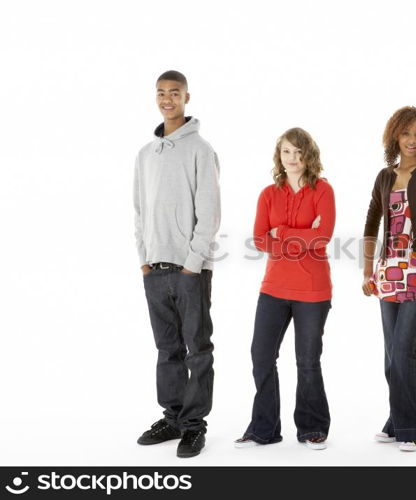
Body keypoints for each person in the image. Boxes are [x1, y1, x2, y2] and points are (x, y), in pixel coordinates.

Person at [133, 70, 221, 458]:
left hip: (190, 270)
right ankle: (172, 418)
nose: (167, 99)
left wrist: (192, 263)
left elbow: (210, 212)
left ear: (187, 97)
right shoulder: (145, 154)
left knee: (197, 348)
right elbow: (139, 210)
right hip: (155, 268)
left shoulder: (201, 149)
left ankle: (194, 425)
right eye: (161, 93)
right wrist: (144, 261)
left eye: (175, 93)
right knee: (167, 349)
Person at [235, 127, 335, 450]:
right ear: (279, 156)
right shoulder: (268, 194)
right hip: (274, 287)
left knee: (307, 361)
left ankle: (312, 428)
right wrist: (301, 235)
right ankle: (264, 428)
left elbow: (322, 239)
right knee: (261, 355)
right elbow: (260, 239)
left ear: (309, 154)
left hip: (313, 290)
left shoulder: (323, 190)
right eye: (286, 152)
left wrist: (283, 233)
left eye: (298, 151)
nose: (292, 158)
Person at [362, 106, 416, 452]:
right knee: (391, 353)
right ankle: (398, 419)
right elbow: (371, 223)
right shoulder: (385, 176)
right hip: (388, 272)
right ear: (394, 136)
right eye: (406, 133)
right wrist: (367, 270)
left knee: (403, 350)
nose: (412, 140)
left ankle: (415, 427)